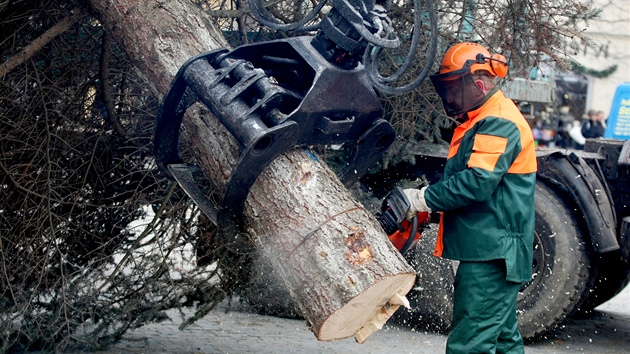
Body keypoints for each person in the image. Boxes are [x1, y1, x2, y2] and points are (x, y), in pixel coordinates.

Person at [400, 42, 537, 353]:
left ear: (477, 84)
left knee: (470, 345)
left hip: (492, 254)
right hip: (492, 249)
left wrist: (423, 199)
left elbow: (476, 182)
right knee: (503, 341)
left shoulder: (498, 121)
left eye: (454, 88)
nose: (449, 97)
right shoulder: (482, 118)